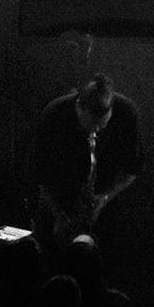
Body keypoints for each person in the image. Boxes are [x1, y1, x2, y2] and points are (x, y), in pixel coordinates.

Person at [31, 73, 144, 246]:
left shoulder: (127, 111)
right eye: (89, 125)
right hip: (59, 197)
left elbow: (133, 167)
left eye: (101, 126)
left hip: (105, 202)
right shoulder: (54, 112)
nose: (95, 132)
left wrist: (103, 199)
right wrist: (58, 214)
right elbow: (39, 170)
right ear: (78, 106)